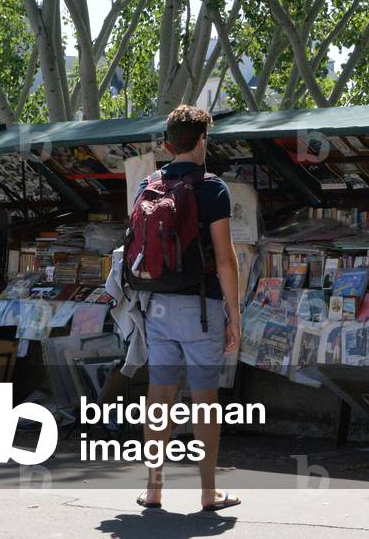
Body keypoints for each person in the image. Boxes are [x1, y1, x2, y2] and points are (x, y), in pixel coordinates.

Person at [134, 105, 242, 512]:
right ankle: (208, 492)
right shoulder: (213, 188)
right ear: (202, 141)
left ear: (167, 144)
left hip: (157, 303)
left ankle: (155, 488)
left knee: (158, 397)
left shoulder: (149, 184)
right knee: (204, 399)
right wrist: (235, 315)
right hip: (200, 307)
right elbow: (225, 259)